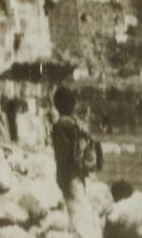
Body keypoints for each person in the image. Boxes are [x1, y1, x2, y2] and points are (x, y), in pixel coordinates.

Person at [51, 85, 104, 238]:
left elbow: (65, 153)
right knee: (80, 210)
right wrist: (86, 165)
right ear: (73, 104)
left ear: (56, 105)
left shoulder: (60, 125)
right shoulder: (73, 124)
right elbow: (75, 152)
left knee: (75, 209)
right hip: (73, 173)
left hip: (66, 172)